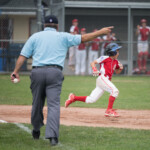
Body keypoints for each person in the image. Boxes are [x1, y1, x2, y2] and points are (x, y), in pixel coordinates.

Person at [10, 14, 113, 146]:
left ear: (44, 25)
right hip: (55, 72)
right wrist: (101, 32)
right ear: (57, 26)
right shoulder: (63, 36)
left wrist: (15, 72)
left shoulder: (35, 36)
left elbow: (22, 56)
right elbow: (84, 38)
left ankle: (36, 129)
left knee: (37, 103)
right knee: (53, 105)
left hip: (37, 72)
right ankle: (53, 137)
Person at [65, 43, 123, 117]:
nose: (118, 53)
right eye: (117, 51)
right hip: (102, 78)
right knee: (114, 91)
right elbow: (93, 63)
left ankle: (74, 98)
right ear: (112, 52)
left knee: (91, 99)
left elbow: (117, 72)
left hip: (104, 81)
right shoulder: (105, 58)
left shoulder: (116, 61)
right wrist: (95, 69)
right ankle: (109, 110)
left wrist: (120, 69)